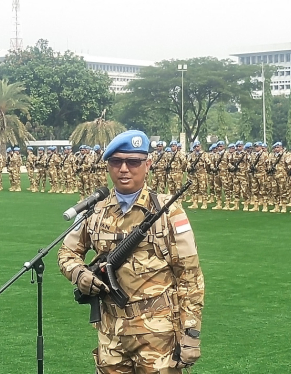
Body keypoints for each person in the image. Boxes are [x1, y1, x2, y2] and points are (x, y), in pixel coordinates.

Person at [57, 130, 204, 374]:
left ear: (147, 165)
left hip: (158, 334)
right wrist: (80, 275)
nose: (124, 169)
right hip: (110, 333)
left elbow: (190, 277)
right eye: (116, 162)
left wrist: (191, 334)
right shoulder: (95, 210)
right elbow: (66, 252)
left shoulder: (168, 211)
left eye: (133, 162)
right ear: (108, 166)